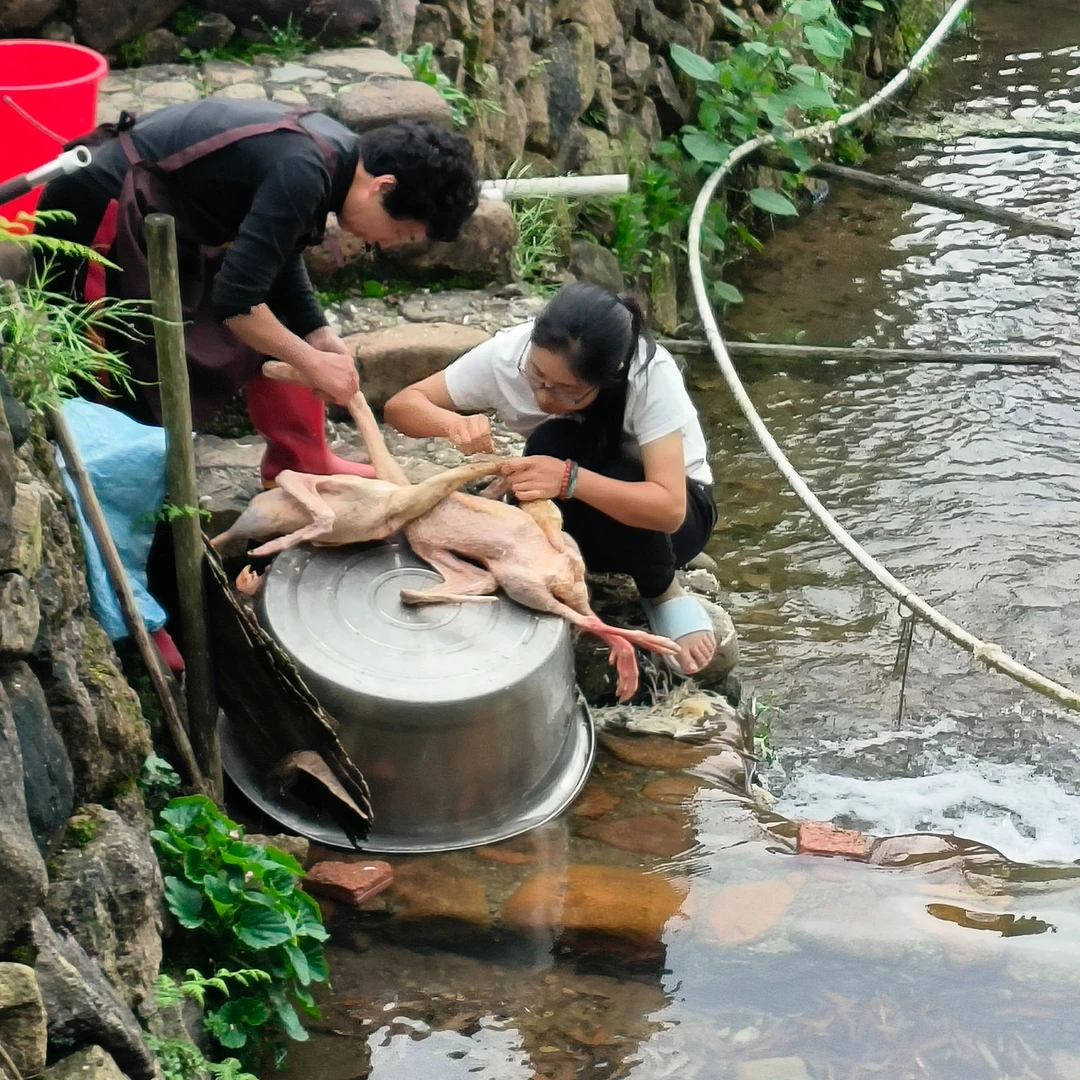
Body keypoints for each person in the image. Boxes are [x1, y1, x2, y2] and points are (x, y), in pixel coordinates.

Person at [35, 98, 479, 486]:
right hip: (99, 211)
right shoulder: (303, 168)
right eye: (400, 230)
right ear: (383, 187)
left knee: (283, 324)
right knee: (116, 364)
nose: (388, 244)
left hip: (167, 215)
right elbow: (237, 302)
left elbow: (278, 254)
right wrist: (312, 364)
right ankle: (106, 484)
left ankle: (302, 461)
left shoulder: (336, 156)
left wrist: (317, 333)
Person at [383, 282, 720, 677]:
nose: (544, 396)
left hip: (669, 527)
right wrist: (452, 424)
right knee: (552, 439)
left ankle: (662, 592)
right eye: (538, 376)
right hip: (586, 522)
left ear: (606, 379)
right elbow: (401, 407)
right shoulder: (508, 355)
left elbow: (668, 510)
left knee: (585, 456)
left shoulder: (649, 372)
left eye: (568, 392)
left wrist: (569, 480)